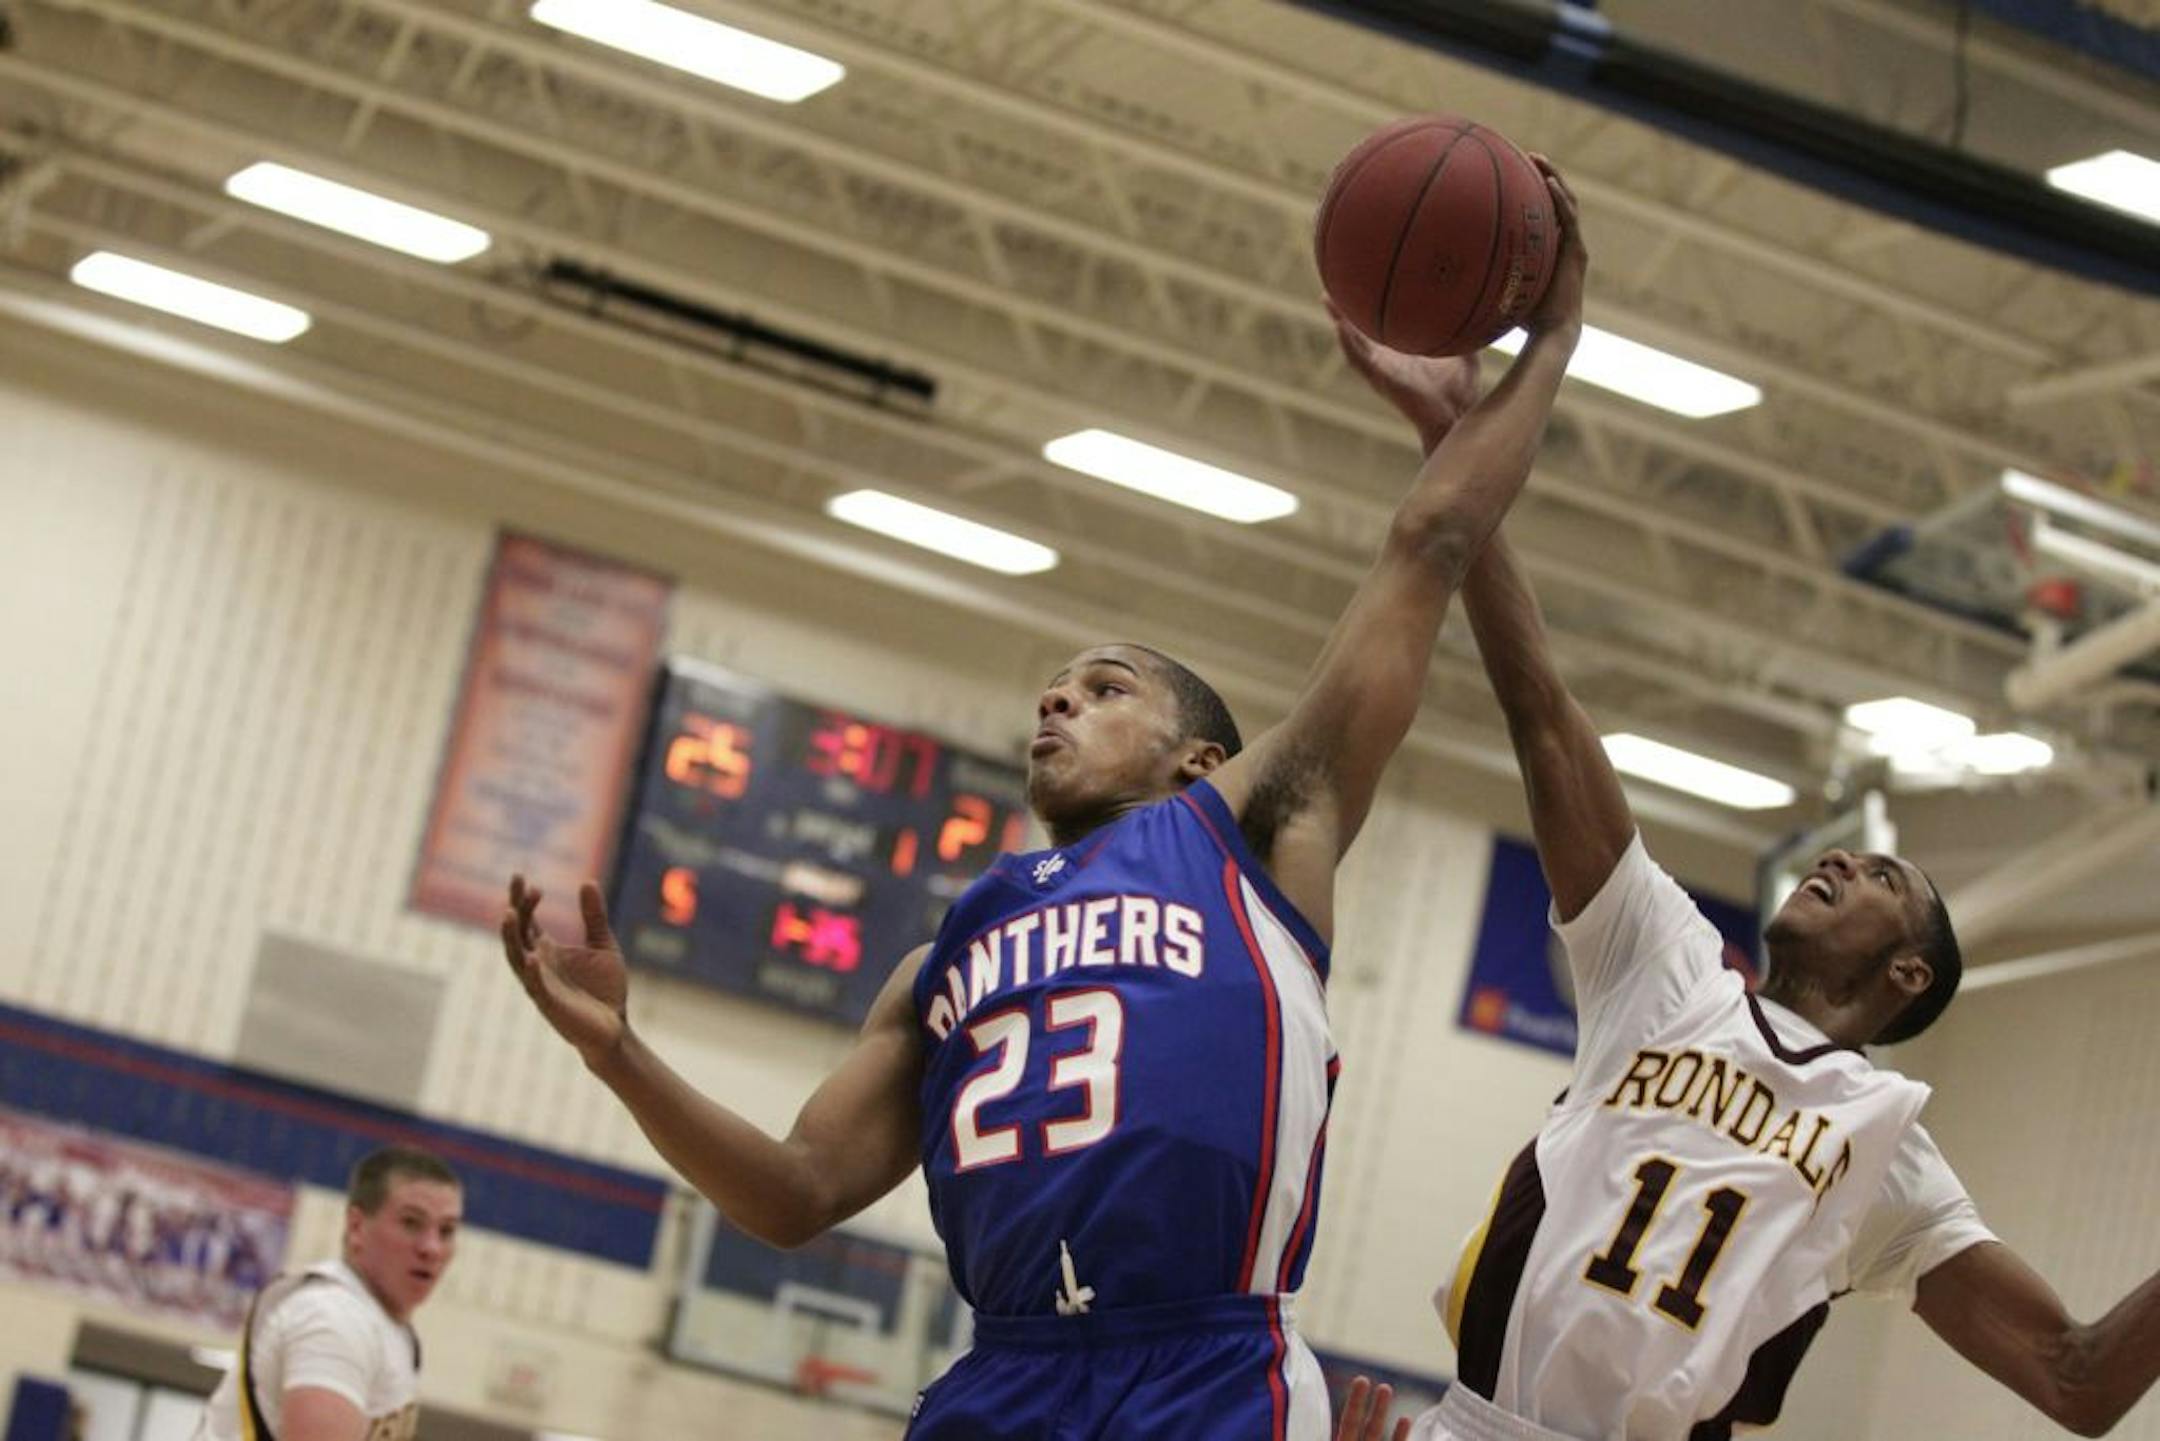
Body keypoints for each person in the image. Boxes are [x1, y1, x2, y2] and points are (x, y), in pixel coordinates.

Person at [499, 161, 1587, 1441]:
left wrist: (1548, 341)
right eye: (1055, 687)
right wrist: (619, 1053)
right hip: (1004, 1376)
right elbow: (794, 1192)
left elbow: (1430, 544)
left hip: (1203, 1368)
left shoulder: (1253, 830)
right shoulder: (947, 956)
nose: (1059, 699)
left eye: (1107, 687)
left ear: (1199, 758)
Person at [1334, 330, 2160, 1438]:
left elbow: (2077, 1377)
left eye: (1880, 875)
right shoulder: (1663, 972)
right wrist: (1456, 435)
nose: (1839, 859)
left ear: (1908, 971)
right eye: (1848, 855)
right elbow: (1541, 710)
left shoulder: (1885, 1145)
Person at [194, 1146, 461, 1441]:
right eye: (411, 1223)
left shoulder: (391, 1330)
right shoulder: (334, 1318)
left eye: (446, 1231)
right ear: (356, 1227)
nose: (431, 1248)